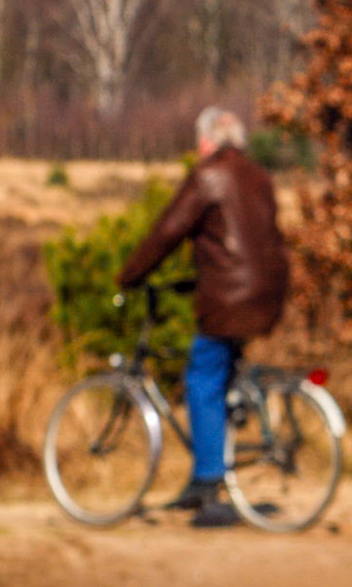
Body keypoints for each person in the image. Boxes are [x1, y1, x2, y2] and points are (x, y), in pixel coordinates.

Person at [118, 107, 290, 528]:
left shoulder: (209, 175)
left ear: (208, 140)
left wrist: (130, 276)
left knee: (200, 379)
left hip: (230, 298)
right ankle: (213, 462)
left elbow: (167, 232)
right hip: (268, 293)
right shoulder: (258, 175)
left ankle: (210, 481)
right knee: (222, 376)